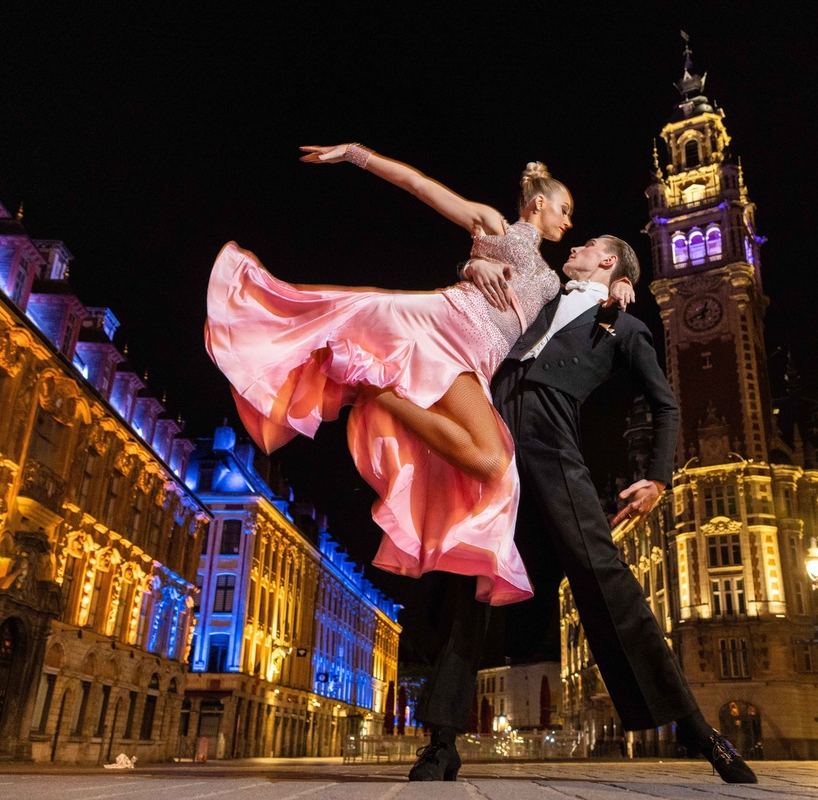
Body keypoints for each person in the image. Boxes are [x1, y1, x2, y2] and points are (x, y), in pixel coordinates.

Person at [204, 143, 631, 606]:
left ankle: (374, 389)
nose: (569, 222)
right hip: (443, 327)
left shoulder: (552, 279)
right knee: (492, 462)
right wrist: (355, 154)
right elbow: (419, 185)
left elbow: (579, 308)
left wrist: (621, 281)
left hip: (474, 362)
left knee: (496, 469)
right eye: (564, 210)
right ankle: (368, 384)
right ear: (538, 203)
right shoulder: (494, 225)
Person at [407, 237, 758, 784]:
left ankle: (693, 727)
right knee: (468, 578)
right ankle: (441, 743)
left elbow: (667, 403)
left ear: (611, 262)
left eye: (589, 244)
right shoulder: (542, 292)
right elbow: (484, 274)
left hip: (552, 440)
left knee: (603, 575)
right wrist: (474, 261)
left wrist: (659, 478)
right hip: (492, 434)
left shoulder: (626, 326)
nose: (574, 244)